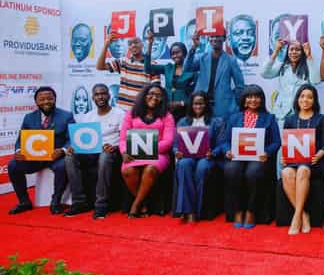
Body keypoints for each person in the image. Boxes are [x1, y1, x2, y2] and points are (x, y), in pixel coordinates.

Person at [7, 86, 75, 215]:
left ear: (55, 99)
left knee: (63, 166)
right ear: (36, 102)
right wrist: (19, 151)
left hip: (56, 157)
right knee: (13, 165)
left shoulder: (66, 116)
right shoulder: (29, 117)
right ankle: (24, 202)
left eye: (49, 98)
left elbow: (72, 138)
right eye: (42, 99)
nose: (46, 101)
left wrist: (62, 150)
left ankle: (56, 201)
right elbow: (20, 139)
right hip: (35, 157)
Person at [223, 85, 281, 229]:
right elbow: (225, 141)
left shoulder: (269, 118)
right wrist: (227, 150)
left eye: (257, 97)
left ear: (262, 100)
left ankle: (251, 211)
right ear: (244, 100)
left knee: (253, 172)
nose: (253, 100)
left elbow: (276, 142)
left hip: (258, 158)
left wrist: (267, 152)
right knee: (231, 170)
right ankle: (237, 210)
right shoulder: (234, 118)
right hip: (237, 156)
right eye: (249, 97)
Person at [64, 84, 125, 219]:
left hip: (111, 151)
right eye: (97, 94)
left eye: (103, 93)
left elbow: (124, 138)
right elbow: (82, 138)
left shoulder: (120, 114)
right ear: (93, 98)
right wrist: (74, 147)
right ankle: (79, 202)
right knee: (69, 157)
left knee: (104, 157)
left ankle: (101, 205)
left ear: (108, 96)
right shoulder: (88, 116)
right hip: (90, 151)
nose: (100, 97)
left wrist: (114, 146)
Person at [119, 84, 175, 218]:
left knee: (150, 169)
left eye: (158, 95)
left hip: (158, 154)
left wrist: (148, 149)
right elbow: (122, 138)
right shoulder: (132, 113)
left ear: (162, 99)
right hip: (134, 153)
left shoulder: (167, 116)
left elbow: (168, 141)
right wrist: (125, 152)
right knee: (128, 171)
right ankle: (142, 203)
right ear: (144, 96)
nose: (154, 97)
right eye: (151, 94)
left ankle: (136, 205)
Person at [281, 84, 324, 235]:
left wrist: (319, 155)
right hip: (294, 162)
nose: (305, 100)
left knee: (302, 170)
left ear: (314, 100)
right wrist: (284, 157)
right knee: (286, 172)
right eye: (302, 96)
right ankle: (303, 215)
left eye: (309, 97)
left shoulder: (322, 119)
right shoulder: (290, 119)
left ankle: (296, 218)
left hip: (314, 163)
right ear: (297, 99)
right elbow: (286, 144)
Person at [174, 91, 227, 223]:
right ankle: (188, 211)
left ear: (206, 104)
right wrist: (177, 152)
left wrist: (213, 153)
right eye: (195, 104)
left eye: (201, 103)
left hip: (207, 157)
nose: (198, 106)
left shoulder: (217, 122)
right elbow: (175, 145)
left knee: (202, 167)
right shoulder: (183, 122)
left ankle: (197, 211)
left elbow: (222, 144)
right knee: (184, 164)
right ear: (191, 105)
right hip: (187, 157)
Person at [183, 33, 245, 118]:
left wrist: (235, 103)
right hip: (201, 104)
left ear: (224, 38)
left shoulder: (231, 60)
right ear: (209, 39)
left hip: (223, 106)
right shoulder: (202, 57)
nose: (214, 39)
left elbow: (240, 85)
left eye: (218, 36)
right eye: (212, 36)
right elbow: (187, 68)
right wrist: (194, 47)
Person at [97, 32, 160, 110]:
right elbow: (100, 67)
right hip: (122, 111)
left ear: (142, 44)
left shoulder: (152, 64)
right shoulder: (123, 62)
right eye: (130, 44)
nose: (133, 45)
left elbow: (156, 90)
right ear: (128, 48)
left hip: (141, 111)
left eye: (136, 42)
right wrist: (106, 44)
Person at [261, 39, 320, 122]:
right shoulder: (283, 66)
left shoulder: (308, 66)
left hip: (300, 112)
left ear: (302, 52)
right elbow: (264, 73)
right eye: (291, 49)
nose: (294, 52)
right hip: (281, 113)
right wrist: (276, 51)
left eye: (298, 50)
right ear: (287, 52)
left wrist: (309, 56)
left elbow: (316, 81)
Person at [144, 30, 196, 121]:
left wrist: (181, 103)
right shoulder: (168, 67)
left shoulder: (191, 71)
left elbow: (195, 94)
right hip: (168, 110)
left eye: (178, 52)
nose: (175, 55)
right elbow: (148, 68)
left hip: (185, 111)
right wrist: (150, 44)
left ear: (184, 53)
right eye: (172, 54)